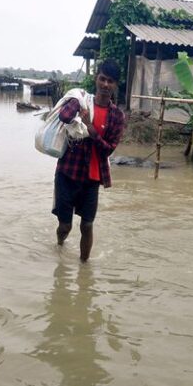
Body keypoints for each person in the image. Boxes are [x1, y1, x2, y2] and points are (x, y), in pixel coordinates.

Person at [53, 59, 126, 261]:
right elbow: (64, 116)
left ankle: (84, 267)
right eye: (102, 79)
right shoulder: (82, 101)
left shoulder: (117, 116)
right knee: (65, 225)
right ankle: (59, 245)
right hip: (68, 172)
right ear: (96, 78)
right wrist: (76, 104)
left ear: (115, 85)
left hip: (93, 177)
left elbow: (108, 150)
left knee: (87, 225)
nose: (105, 85)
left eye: (110, 81)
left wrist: (91, 131)